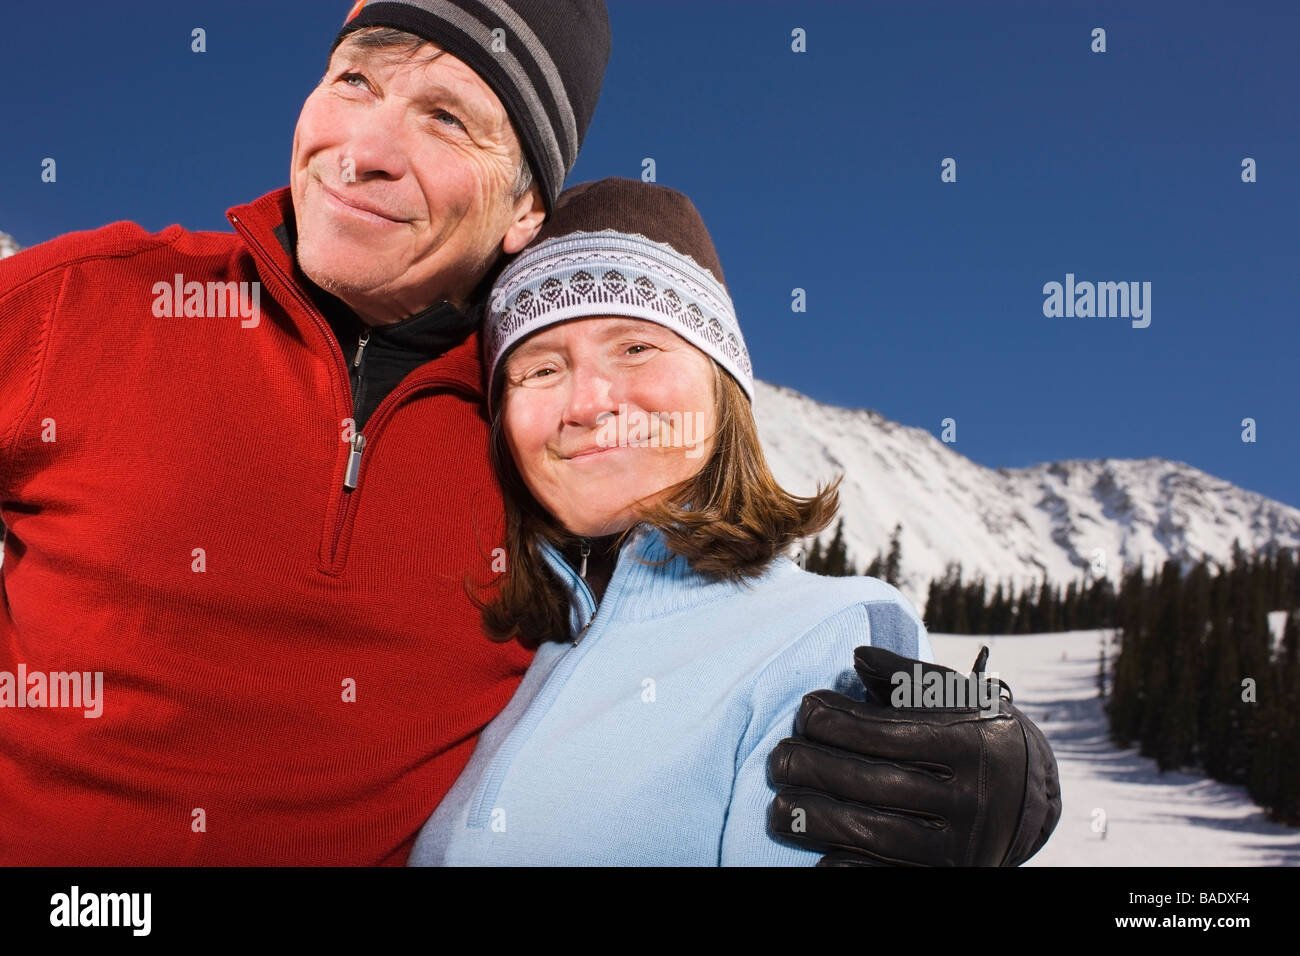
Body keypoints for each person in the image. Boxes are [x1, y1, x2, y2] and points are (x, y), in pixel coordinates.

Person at [0, 2, 1057, 866]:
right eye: (354, 81)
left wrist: (1000, 764)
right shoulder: (86, 303)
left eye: (448, 119)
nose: (362, 149)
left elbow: (728, 620)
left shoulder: (535, 447)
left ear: (521, 214)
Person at [409, 177, 1049, 865]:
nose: (587, 403)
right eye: (538, 369)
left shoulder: (819, 634)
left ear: (722, 387)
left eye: (635, 348)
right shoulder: (498, 648)